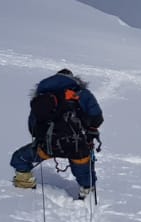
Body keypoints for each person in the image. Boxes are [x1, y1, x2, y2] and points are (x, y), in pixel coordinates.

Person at [10, 68, 103, 198]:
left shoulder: (42, 96)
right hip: (76, 146)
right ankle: (87, 191)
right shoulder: (82, 93)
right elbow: (97, 117)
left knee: (19, 158)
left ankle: (23, 187)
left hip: (47, 145)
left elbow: (32, 127)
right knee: (84, 172)